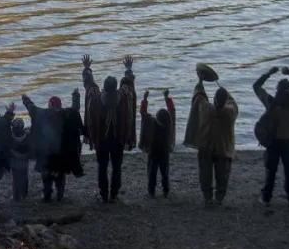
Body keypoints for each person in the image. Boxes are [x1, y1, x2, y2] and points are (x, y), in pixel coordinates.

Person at [82, 55, 137, 203]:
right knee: (117, 166)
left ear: (104, 88)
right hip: (119, 139)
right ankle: (114, 194)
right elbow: (129, 84)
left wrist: (87, 68)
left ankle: (103, 194)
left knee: (102, 166)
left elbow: (89, 85)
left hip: (102, 141)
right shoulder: (124, 97)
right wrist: (128, 69)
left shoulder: (95, 99)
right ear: (115, 88)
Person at [253, 65, 289, 207]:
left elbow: (256, 86)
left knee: (271, 171)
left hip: (274, 142)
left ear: (277, 90)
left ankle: (266, 198)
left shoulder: (271, 103)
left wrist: (268, 73)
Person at [184, 67, 238, 207]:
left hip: (205, 144)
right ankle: (219, 198)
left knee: (205, 172)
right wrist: (224, 90)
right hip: (222, 147)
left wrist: (200, 81)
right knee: (223, 173)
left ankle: (208, 197)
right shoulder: (230, 112)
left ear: (214, 99)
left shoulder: (206, 108)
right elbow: (233, 102)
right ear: (225, 100)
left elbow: (198, 96)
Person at [22, 89, 84, 203]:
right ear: (59, 105)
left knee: (46, 178)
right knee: (60, 178)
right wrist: (75, 95)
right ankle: (59, 196)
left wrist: (25, 99)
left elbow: (31, 108)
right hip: (62, 155)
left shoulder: (43, 114)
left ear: (50, 105)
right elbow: (75, 108)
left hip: (46, 155)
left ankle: (47, 197)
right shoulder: (67, 114)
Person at [139, 88, 175, 199]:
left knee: (152, 172)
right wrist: (167, 98)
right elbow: (172, 111)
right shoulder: (169, 126)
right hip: (164, 151)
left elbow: (143, 113)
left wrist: (145, 99)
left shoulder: (152, 123)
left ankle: (151, 191)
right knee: (165, 172)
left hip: (153, 151)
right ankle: (166, 191)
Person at [9, 117, 31, 202]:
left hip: (14, 162)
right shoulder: (27, 136)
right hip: (24, 162)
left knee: (15, 179)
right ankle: (24, 195)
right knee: (25, 178)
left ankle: (16, 197)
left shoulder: (10, 136)